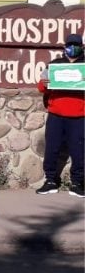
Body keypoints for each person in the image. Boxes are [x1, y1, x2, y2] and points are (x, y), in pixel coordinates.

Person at [35, 33, 84, 198]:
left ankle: (77, 183)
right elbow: (41, 86)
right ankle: (50, 181)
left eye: (76, 45)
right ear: (65, 47)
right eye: (70, 45)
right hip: (56, 115)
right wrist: (47, 83)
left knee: (79, 151)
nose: (73, 48)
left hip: (79, 116)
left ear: (82, 47)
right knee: (52, 148)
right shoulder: (54, 65)